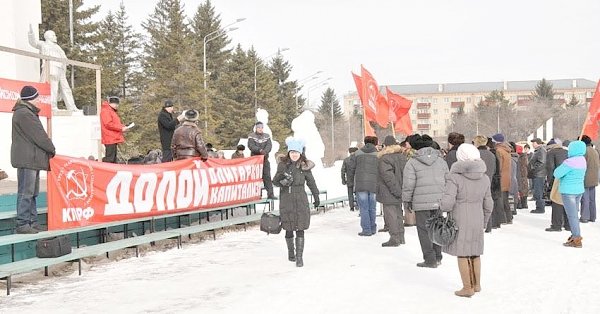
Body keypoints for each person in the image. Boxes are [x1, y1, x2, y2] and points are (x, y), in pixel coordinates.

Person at [440, 144, 493, 297]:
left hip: (460, 218)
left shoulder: (454, 177)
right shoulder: (485, 177)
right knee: (475, 251)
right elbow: (488, 203)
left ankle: (467, 288)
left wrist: (441, 205)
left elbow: (448, 203)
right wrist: (484, 220)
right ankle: (476, 285)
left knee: (462, 253)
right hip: (477, 217)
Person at [11, 86, 56, 234]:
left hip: (32, 158)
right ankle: (23, 223)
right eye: (37, 97)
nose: (38, 100)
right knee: (26, 191)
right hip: (27, 159)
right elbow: (39, 135)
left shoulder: (26, 112)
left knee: (32, 192)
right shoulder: (25, 114)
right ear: (31, 99)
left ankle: (33, 221)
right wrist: (51, 149)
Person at [402, 134, 449, 267]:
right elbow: (448, 180)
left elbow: (408, 185)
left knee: (424, 231)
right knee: (437, 228)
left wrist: (407, 201)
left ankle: (429, 259)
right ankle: (438, 256)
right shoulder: (441, 161)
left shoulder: (412, 162)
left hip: (421, 202)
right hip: (438, 201)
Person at [272, 137, 319, 267]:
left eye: (296, 152)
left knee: (300, 226)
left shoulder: (304, 166)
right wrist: (283, 181)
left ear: (300, 153)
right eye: (292, 152)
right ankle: (291, 253)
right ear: (289, 152)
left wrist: (316, 196)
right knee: (288, 227)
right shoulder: (282, 165)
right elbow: (274, 181)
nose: (294, 155)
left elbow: (311, 182)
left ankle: (299, 257)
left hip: (300, 199)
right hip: (286, 198)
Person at [27, 25, 79, 112]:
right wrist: (31, 33)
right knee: (53, 88)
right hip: (51, 67)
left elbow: (64, 58)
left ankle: (72, 107)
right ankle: (53, 106)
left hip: (61, 69)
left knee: (66, 88)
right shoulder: (43, 44)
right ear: (47, 37)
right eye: (53, 35)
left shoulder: (57, 47)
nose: (55, 37)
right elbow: (33, 43)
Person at [553, 140, 587, 248]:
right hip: (579, 190)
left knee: (572, 216)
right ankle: (574, 235)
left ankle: (576, 238)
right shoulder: (582, 160)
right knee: (574, 215)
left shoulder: (569, 162)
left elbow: (557, 173)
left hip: (568, 191)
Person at [377, 135, 408, 247]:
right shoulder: (402, 156)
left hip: (389, 192)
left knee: (391, 216)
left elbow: (388, 177)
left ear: (385, 145)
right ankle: (401, 237)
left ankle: (394, 238)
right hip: (400, 190)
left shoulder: (384, 159)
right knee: (399, 214)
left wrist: (396, 191)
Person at [348, 136, 379, 236]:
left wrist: (351, 182)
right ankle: (373, 228)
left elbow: (351, 169)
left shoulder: (357, 154)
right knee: (373, 207)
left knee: (364, 208)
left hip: (361, 184)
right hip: (374, 184)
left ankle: (366, 229)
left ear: (365, 143)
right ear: (375, 143)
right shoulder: (378, 154)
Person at [545, 138, 569, 231]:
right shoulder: (566, 152)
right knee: (567, 202)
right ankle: (568, 225)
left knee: (556, 202)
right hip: (568, 179)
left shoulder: (551, 153)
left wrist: (550, 183)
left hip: (557, 179)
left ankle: (556, 225)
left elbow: (550, 168)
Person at [248, 121, 275, 199]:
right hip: (255, 160)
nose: (260, 129)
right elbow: (251, 146)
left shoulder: (266, 136)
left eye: (261, 127)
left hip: (265, 159)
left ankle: (270, 194)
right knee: (256, 177)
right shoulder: (251, 136)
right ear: (256, 128)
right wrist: (259, 150)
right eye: (258, 127)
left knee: (267, 177)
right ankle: (257, 194)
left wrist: (265, 151)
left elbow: (269, 145)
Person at [492, 133, 513, 223]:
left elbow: (498, 166)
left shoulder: (499, 151)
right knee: (505, 199)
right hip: (507, 177)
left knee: (500, 199)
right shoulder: (506, 151)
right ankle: (508, 217)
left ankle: (502, 218)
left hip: (500, 178)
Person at [100, 97, 128, 163]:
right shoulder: (106, 111)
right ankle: (100, 165)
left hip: (112, 137)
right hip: (110, 137)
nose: (117, 106)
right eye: (116, 104)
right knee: (110, 158)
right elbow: (108, 124)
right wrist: (121, 128)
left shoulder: (109, 111)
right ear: (112, 104)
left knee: (112, 158)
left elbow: (114, 123)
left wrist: (123, 127)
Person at [579, 135, 598, 223]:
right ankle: (592, 216)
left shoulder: (584, 151)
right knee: (592, 199)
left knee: (585, 199)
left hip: (586, 178)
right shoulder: (595, 151)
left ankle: (585, 217)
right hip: (594, 178)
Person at [529, 138, 547, 213]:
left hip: (539, 174)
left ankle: (540, 208)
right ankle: (539, 206)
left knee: (538, 191)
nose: (532, 144)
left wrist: (533, 169)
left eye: (533, 143)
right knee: (537, 191)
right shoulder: (538, 151)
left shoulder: (541, 151)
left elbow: (541, 163)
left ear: (538, 143)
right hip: (538, 174)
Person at [341, 147, 358, 211]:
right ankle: (358, 205)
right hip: (357, 180)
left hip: (349, 179)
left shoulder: (346, 160)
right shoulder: (358, 159)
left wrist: (343, 180)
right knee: (358, 193)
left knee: (350, 194)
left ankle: (351, 207)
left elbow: (343, 171)